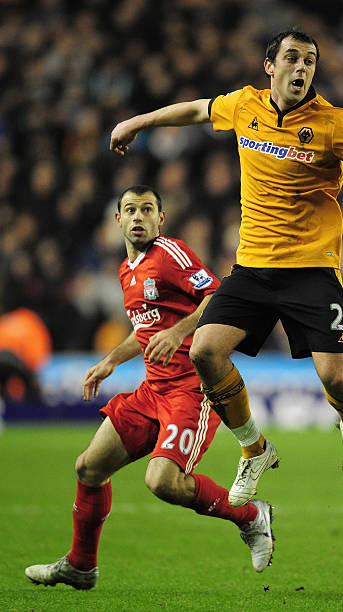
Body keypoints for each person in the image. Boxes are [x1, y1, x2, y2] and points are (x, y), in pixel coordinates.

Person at [109, 30, 343, 506]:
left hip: (312, 269)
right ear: (270, 66)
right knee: (205, 352)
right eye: (292, 58)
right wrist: (138, 122)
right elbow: (196, 110)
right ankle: (254, 449)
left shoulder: (333, 122)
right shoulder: (244, 105)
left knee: (337, 379)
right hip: (253, 266)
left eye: (310, 61)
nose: (302, 68)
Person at [25, 185, 275, 591]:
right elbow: (145, 330)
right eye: (130, 210)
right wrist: (111, 360)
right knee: (88, 468)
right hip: (152, 391)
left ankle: (252, 517)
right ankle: (81, 566)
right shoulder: (127, 270)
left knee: (162, 482)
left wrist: (179, 332)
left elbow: (218, 296)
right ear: (118, 220)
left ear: (161, 218)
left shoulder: (171, 254)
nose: (138, 216)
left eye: (146, 209)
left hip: (191, 390)